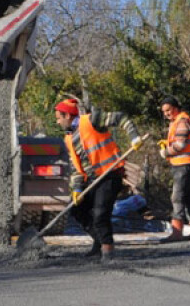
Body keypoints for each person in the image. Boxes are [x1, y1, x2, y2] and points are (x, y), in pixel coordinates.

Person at [54, 98, 142, 261]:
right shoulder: (68, 139)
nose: (57, 121)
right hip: (92, 179)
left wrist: (134, 137)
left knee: (101, 213)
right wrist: (77, 189)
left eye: (59, 117)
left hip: (110, 174)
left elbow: (121, 118)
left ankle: (108, 250)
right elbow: (76, 169)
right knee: (78, 210)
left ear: (67, 115)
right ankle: (99, 241)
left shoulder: (91, 120)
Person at [157, 97, 190, 242]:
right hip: (186, 163)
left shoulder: (182, 121)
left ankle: (177, 232)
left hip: (185, 164)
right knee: (187, 197)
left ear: (176, 107)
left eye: (168, 110)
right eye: (164, 111)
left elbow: (180, 145)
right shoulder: (178, 121)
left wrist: (166, 152)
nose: (166, 114)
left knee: (177, 197)